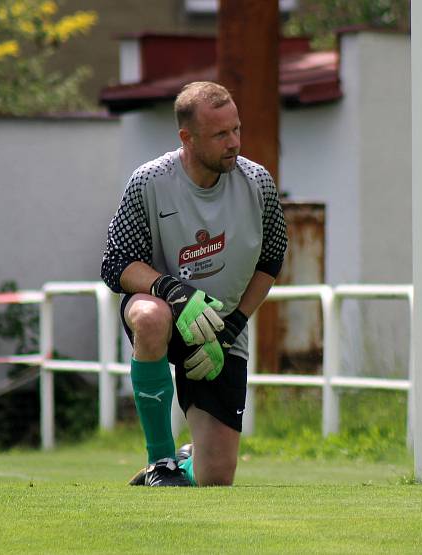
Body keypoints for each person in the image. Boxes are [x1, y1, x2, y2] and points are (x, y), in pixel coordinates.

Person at [100, 81, 287, 487]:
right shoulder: (149, 181)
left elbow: (272, 260)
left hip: (219, 331)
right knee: (150, 316)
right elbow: (116, 265)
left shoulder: (258, 183)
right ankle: (161, 463)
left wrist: (234, 324)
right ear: (187, 137)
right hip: (162, 311)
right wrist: (173, 291)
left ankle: (188, 460)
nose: (234, 142)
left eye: (236, 129)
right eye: (221, 134)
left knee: (216, 479)